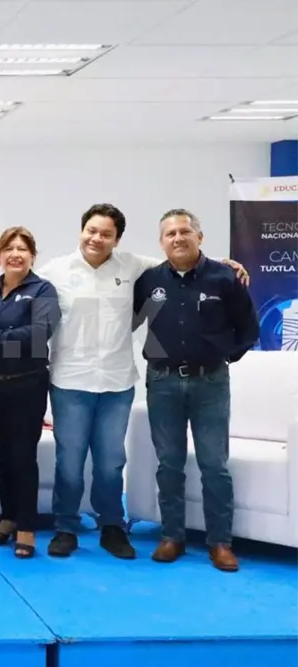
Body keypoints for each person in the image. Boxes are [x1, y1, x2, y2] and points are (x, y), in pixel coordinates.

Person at [37, 203, 249, 559]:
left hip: (117, 382)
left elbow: (182, 260)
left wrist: (225, 264)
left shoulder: (135, 267)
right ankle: (66, 527)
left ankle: (112, 526)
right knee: (69, 462)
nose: (97, 238)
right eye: (91, 230)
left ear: (117, 239)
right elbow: (25, 289)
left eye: (106, 234)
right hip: (69, 380)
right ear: (81, 231)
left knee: (111, 463)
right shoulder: (54, 271)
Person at [132, 209, 257, 572]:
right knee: (169, 463)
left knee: (214, 464)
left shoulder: (225, 277)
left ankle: (220, 542)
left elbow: (248, 329)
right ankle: (172, 536)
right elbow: (127, 319)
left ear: (199, 237)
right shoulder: (149, 281)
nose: (178, 238)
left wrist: (222, 356)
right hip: (163, 383)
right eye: (170, 233)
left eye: (185, 231)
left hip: (210, 383)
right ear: (161, 242)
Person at [0, 227, 60, 558]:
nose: (15, 254)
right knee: (3, 456)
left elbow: (38, 334)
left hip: (26, 384)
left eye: (22, 249)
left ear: (32, 255)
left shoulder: (42, 290)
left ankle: (26, 527)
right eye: (9, 248)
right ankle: (8, 517)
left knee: (22, 456)